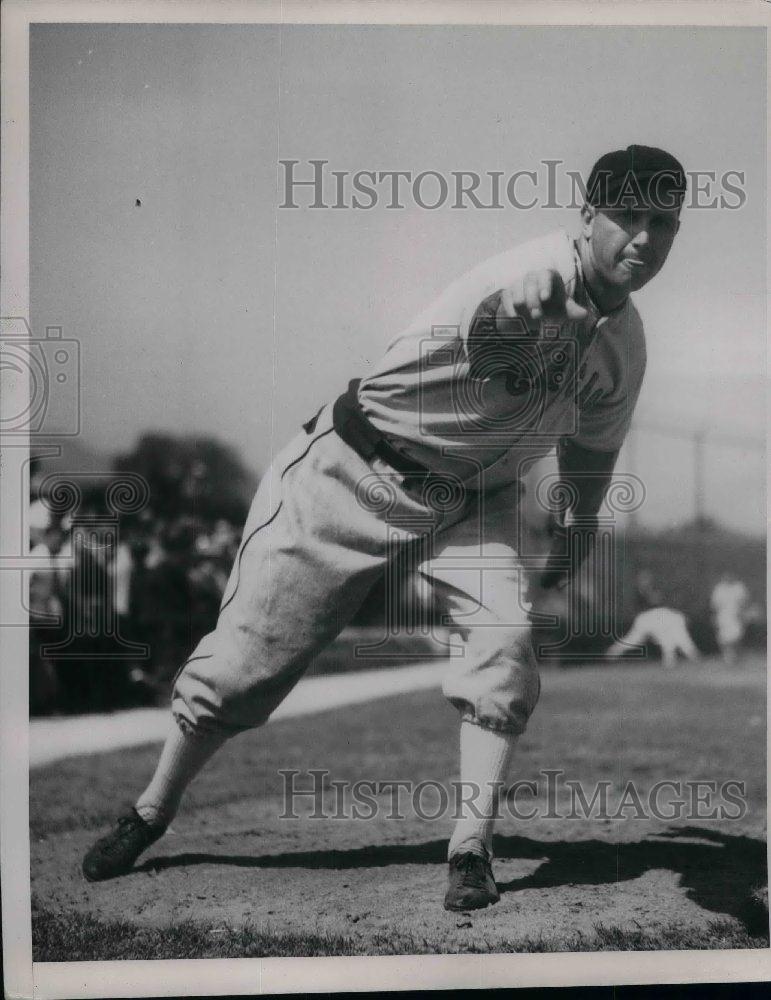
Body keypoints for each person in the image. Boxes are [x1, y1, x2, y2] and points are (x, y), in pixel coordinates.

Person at [82, 144, 686, 911]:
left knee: (503, 642)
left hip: (472, 499)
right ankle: (152, 809)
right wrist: (521, 307)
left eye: (660, 221)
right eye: (625, 215)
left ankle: (470, 845)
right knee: (241, 672)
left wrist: (577, 526)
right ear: (586, 216)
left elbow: (590, 454)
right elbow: (497, 335)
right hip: (354, 471)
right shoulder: (530, 276)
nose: (641, 235)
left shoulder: (624, 348)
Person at [606, 606, 698, 668]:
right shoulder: (678, 619)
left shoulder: (674, 617)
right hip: (648, 621)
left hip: (647, 620)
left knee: (667, 641)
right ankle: (669, 662)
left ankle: (669, 662)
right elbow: (683, 639)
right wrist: (694, 655)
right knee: (634, 640)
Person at [710, 571, 751, 665]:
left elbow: (745, 601)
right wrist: (714, 616)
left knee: (737, 636)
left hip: (736, 615)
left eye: (729, 576)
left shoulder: (739, 587)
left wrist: (743, 613)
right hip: (723, 616)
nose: (727, 578)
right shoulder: (719, 588)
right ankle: (727, 658)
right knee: (723, 638)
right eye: (725, 576)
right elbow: (714, 605)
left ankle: (736, 656)